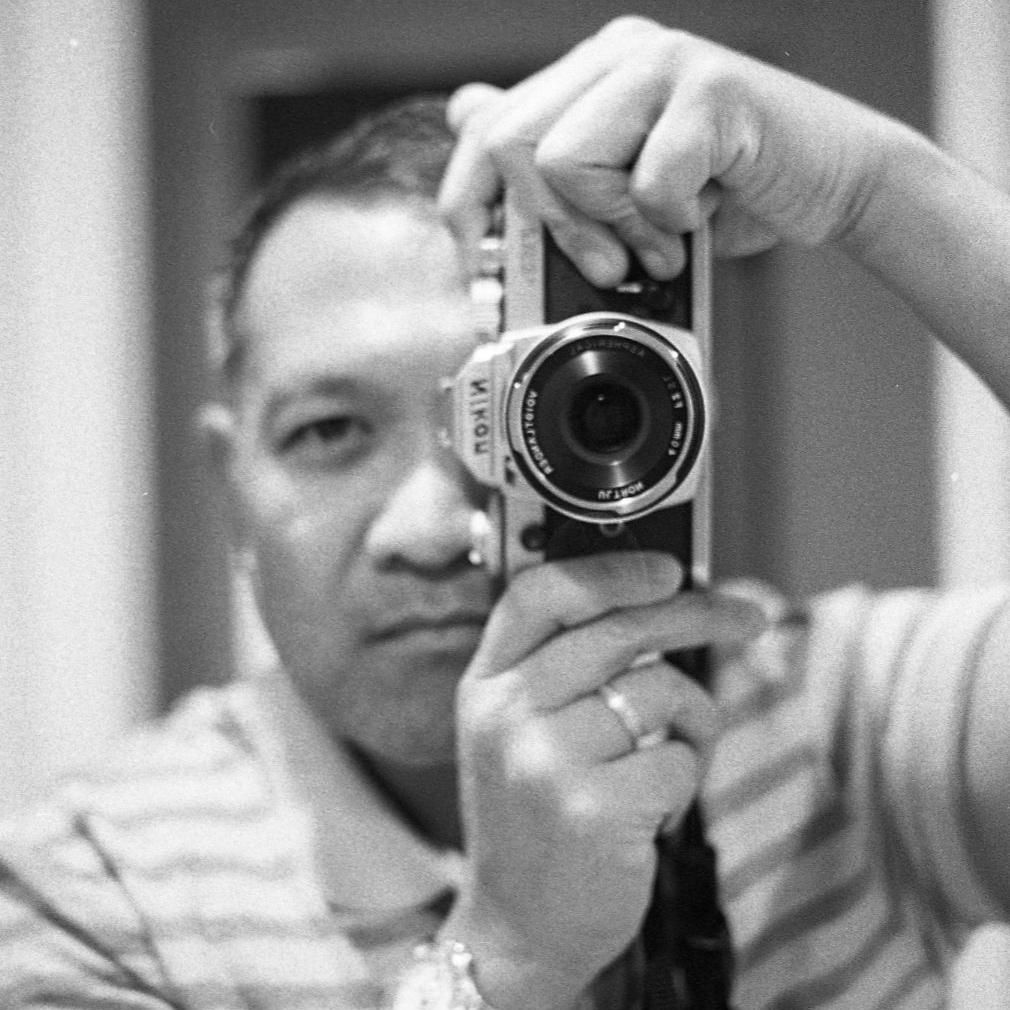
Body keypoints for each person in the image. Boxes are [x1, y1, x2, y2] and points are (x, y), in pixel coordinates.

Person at [2, 13, 1010, 1009]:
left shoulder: (846, 728)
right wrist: (504, 956)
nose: (430, 528)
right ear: (232, 485)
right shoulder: (93, 888)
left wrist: (877, 188)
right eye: (329, 430)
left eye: (510, 418)